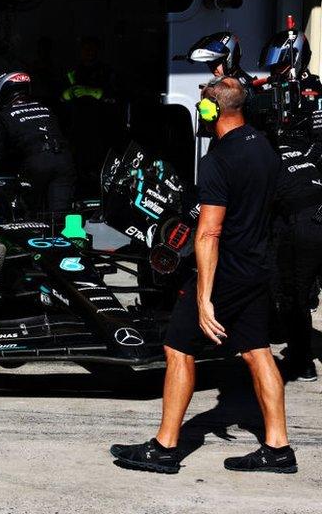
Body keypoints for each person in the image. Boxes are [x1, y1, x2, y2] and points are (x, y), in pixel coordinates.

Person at [110, 77, 296, 474]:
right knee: (258, 352)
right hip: (257, 266)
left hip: (226, 271)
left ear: (210, 112)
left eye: (202, 106)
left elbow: (209, 232)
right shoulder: (262, 146)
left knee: (179, 348)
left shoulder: (219, 159)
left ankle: (164, 447)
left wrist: (204, 297)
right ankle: (279, 449)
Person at [259, 24, 322, 382]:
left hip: (309, 205)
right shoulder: (266, 93)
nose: (274, 71)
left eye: (279, 64)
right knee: (288, 286)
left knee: (295, 289)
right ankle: (300, 354)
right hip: (286, 207)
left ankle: (301, 358)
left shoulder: (316, 94)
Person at [0, 71, 76, 214]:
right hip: (64, 160)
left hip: (36, 163)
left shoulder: (3, 116)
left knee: (29, 213)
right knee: (60, 215)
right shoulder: (46, 109)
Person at [187, 31, 256, 89]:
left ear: (229, 60)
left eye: (216, 64)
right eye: (210, 64)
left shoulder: (247, 86)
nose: (214, 70)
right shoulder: (219, 86)